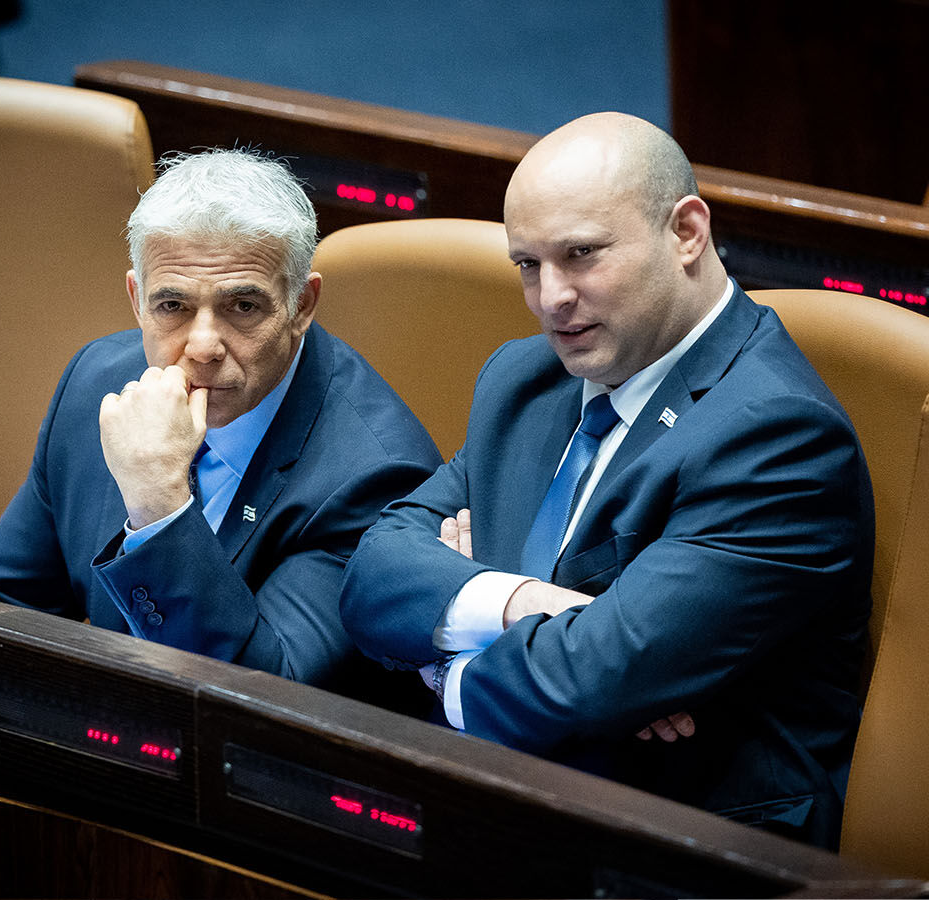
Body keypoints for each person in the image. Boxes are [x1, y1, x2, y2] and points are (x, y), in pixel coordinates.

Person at [339, 113, 872, 848]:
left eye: (581, 255)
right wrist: (519, 603)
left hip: (676, 841)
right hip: (499, 803)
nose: (550, 298)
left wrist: (443, 662)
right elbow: (373, 572)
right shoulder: (526, 380)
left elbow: (589, 682)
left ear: (686, 232)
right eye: (528, 265)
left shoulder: (779, 434)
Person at [0, 149, 441, 690]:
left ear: (301, 304)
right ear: (137, 299)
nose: (203, 346)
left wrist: (159, 502)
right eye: (173, 306)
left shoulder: (376, 477)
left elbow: (260, 691)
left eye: (243, 306)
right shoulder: (97, 382)